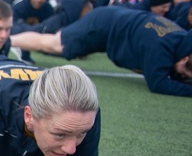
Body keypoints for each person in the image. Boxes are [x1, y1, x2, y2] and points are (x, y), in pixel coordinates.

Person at [10, 8, 192, 97]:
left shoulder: (182, 39)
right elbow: (158, 84)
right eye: (185, 73)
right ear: (184, 58)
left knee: (54, 41)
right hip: (105, 24)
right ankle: (8, 40)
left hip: (113, 21)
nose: (182, 76)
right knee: (54, 44)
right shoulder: (161, 49)